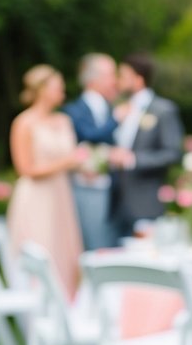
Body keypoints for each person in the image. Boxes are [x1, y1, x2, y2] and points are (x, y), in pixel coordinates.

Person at [6, 64, 88, 298]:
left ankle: (66, 313)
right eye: (57, 87)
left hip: (61, 194)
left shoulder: (64, 120)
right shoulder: (24, 123)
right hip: (36, 197)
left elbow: (74, 158)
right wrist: (68, 161)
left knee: (64, 250)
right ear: (42, 90)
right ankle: (36, 319)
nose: (62, 92)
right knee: (43, 249)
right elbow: (25, 168)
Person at [109, 53, 184, 239]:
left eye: (123, 76)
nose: (118, 81)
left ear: (138, 79)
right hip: (116, 201)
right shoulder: (119, 109)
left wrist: (134, 159)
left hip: (146, 201)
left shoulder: (163, 110)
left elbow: (173, 153)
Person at [63, 53, 122, 251]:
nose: (115, 80)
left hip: (116, 188)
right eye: (111, 74)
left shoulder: (112, 106)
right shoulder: (73, 110)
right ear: (94, 79)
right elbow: (88, 135)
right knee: (93, 243)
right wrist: (116, 120)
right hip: (87, 187)